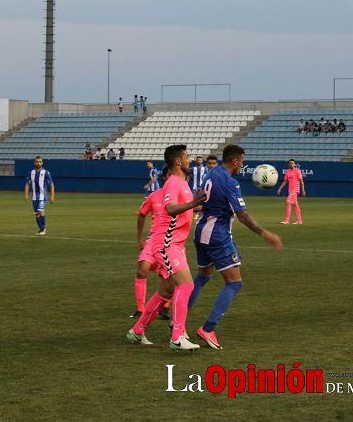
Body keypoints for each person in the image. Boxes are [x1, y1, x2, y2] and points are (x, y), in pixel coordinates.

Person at [188, 144, 283, 349]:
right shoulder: (230, 182)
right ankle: (208, 328)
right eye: (242, 161)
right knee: (234, 282)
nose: (243, 165)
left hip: (201, 230)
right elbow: (243, 216)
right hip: (217, 236)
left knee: (203, 275)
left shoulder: (211, 173)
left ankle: (177, 320)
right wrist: (265, 233)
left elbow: (201, 197)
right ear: (236, 160)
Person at [127, 144, 206, 351]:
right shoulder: (173, 182)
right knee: (186, 285)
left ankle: (137, 331)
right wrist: (192, 204)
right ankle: (177, 336)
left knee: (166, 291)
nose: (189, 160)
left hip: (175, 245)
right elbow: (171, 209)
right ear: (178, 161)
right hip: (166, 244)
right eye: (187, 157)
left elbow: (191, 207)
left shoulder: (182, 184)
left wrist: (202, 204)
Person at [131, 166, 171, 320]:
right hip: (153, 240)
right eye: (169, 175)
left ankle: (164, 308)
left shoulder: (181, 197)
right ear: (164, 178)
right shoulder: (154, 196)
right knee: (142, 270)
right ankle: (140, 309)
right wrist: (139, 239)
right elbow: (141, 215)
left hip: (171, 243)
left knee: (170, 278)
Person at [24, 156, 55, 236]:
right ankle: (40, 229)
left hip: (42, 196)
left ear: (42, 163)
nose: (38, 163)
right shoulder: (30, 172)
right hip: (34, 197)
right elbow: (27, 184)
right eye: (37, 161)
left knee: (41, 211)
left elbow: (51, 184)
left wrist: (52, 196)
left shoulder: (46, 172)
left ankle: (44, 228)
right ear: (34, 162)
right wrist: (26, 194)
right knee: (36, 214)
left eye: (40, 161)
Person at [277, 159, 306, 225]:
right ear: (288, 164)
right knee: (295, 205)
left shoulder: (297, 171)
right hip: (290, 190)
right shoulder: (287, 171)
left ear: (295, 164)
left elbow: (301, 181)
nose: (291, 164)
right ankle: (299, 220)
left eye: (292, 163)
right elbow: (285, 181)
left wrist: (303, 190)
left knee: (288, 201)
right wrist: (280, 188)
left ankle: (286, 220)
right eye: (290, 163)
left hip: (295, 189)